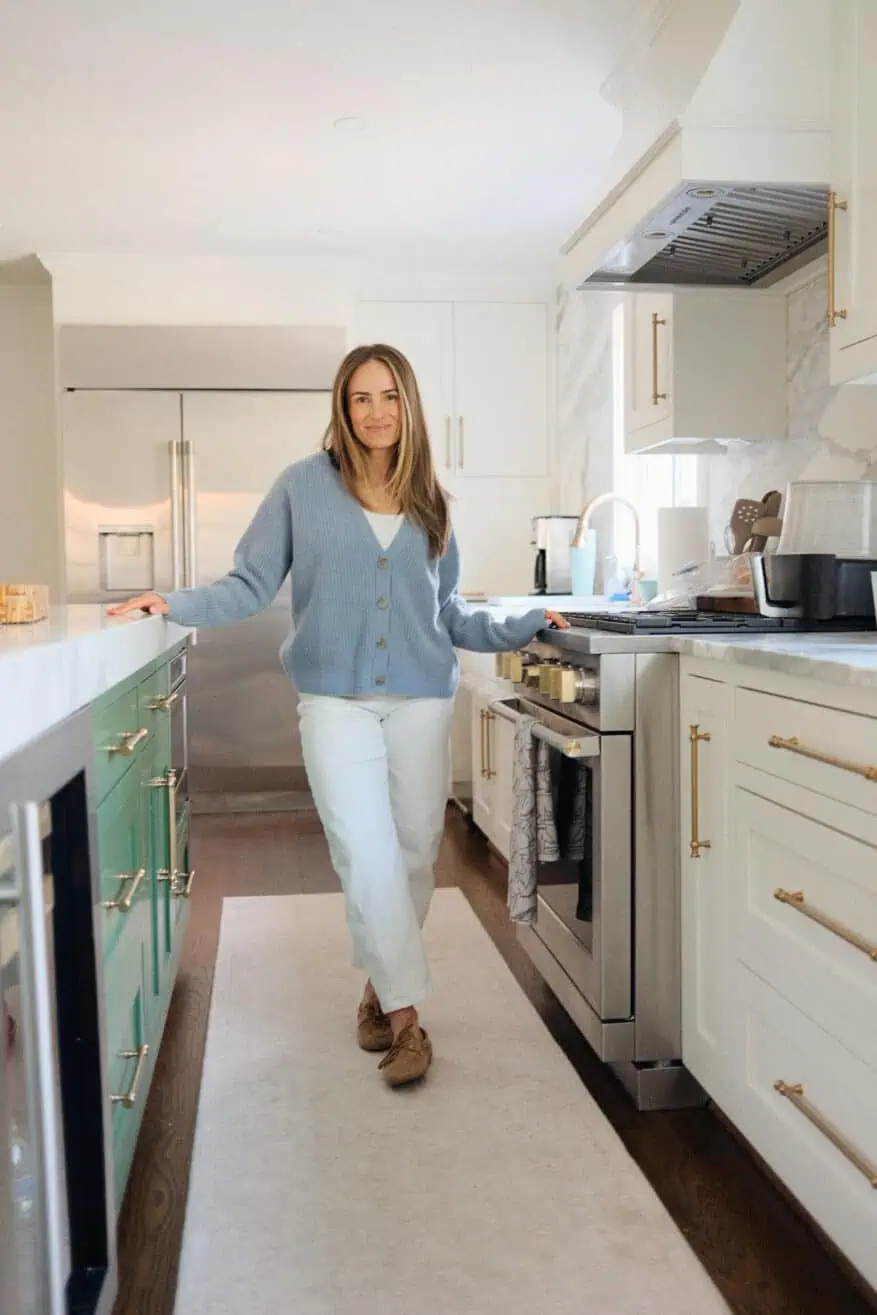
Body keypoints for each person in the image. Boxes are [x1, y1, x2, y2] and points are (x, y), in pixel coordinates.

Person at [109, 343, 569, 1088]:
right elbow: (250, 583)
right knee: (365, 849)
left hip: (421, 696)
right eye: (360, 398)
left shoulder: (432, 500)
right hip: (332, 700)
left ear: (408, 404)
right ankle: (411, 1022)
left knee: (416, 850)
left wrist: (517, 623)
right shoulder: (301, 486)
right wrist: (174, 602)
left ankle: (376, 993)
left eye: (389, 396)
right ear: (342, 407)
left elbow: (445, 611)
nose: (376, 411)